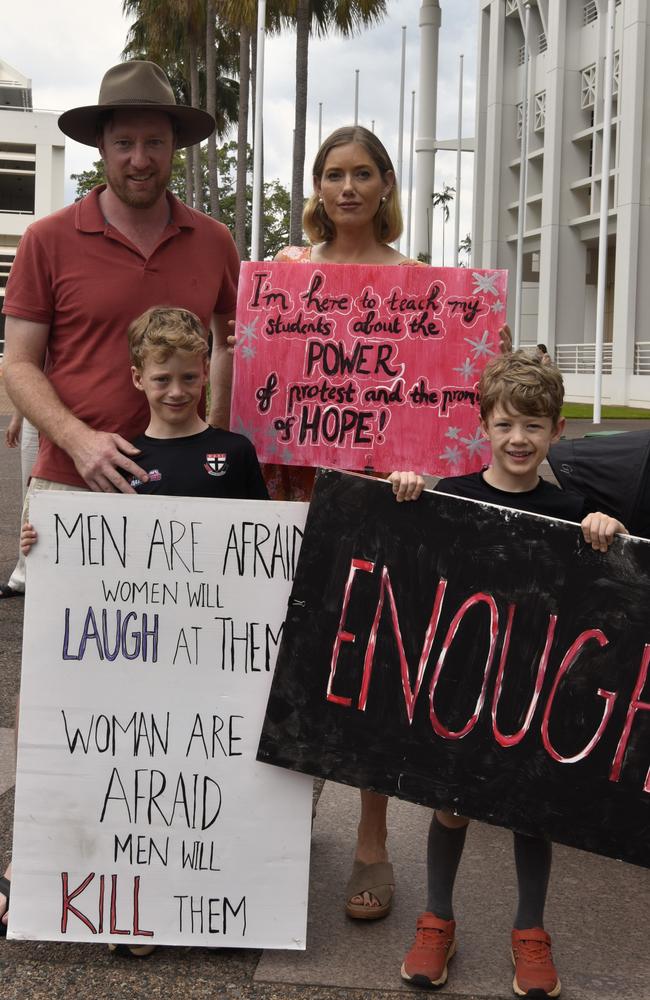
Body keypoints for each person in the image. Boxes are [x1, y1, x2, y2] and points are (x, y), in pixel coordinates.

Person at [0, 59, 240, 932]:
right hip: (74, 494)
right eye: (125, 139)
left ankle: (167, 852)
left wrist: (219, 449)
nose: (141, 155)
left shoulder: (214, 241)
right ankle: (44, 845)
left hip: (185, 504)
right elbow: (18, 364)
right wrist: (73, 438)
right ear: (101, 145)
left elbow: (231, 349)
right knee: (63, 683)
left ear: (176, 145)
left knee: (172, 685)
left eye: (155, 139)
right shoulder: (48, 239)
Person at [17, 306, 269, 954]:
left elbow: (262, 552)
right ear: (137, 378)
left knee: (206, 779)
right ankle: (139, 906)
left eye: (190, 377)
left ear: (206, 376)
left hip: (213, 656)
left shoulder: (233, 454)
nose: (178, 391)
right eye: (163, 379)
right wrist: (44, 544)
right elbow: (97, 559)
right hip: (140, 661)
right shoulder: (120, 458)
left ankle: (217, 893)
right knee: (143, 783)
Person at [400, 352, 627, 998]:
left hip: (537, 690)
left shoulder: (574, 511)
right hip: (464, 684)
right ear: (484, 428)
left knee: (534, 811)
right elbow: (414, 568)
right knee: (449, 806)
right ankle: (436, 918)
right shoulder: (452, 496)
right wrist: (406, 499)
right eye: (505, 425)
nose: (518, 439)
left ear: (558, 431)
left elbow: (613, 596)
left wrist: (605, 530)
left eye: (533, 426)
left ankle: (530, 930)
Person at [268, 125, 426, 920]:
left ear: (387, 183)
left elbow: (445, 405)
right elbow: (261, 390)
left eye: (364, 173)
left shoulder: (422, 282)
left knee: (369, 674)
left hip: (386, 503)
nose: (349, 188)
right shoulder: (285, 275)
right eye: (334, 175)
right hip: (298, 496)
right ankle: (279, 826)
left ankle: (371, 840)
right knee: (294, 666)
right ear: (318, 187)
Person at [1, 409, 38, 598]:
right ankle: (22, 576)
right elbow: (28, 378)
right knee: (31, 496)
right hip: (35, 414)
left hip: (82, 408)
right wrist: (18, 418)